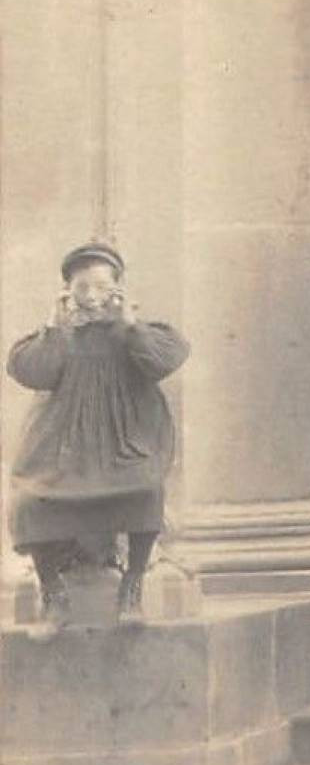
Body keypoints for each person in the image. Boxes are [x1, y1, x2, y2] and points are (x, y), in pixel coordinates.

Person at [8, 243, 189, 631]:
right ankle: (53, 595)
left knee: (146, 493)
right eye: (82, 287)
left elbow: (162, 362)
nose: (92, 297)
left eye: (102, 287)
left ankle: (132, 587)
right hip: (64, 452)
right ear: (67, 291)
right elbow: (34, 372)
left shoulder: (135, 334)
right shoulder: (58, 335)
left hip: (123, 448)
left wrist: (128, 323)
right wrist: (54, 326)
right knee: (29, 502)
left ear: (118, 289)